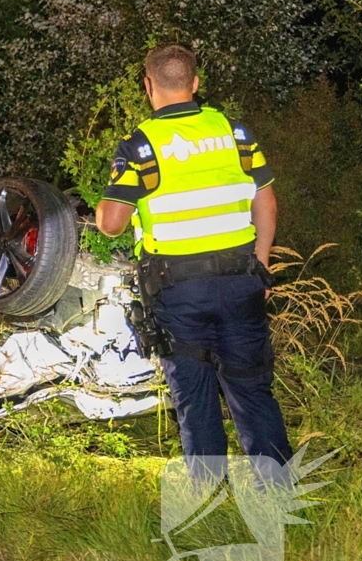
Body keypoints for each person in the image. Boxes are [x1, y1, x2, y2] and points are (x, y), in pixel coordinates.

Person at [95, 44, 292, 475]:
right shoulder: (234, 133)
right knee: (253, 390)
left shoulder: (140, 147)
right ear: (195, 84)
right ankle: (278, 497)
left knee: (195, 396)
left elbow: (111, 223)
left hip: (178, 290)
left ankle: (206, 504)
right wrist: (259, 264)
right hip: (241, 281)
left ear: (148, 86)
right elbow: (268, 202)